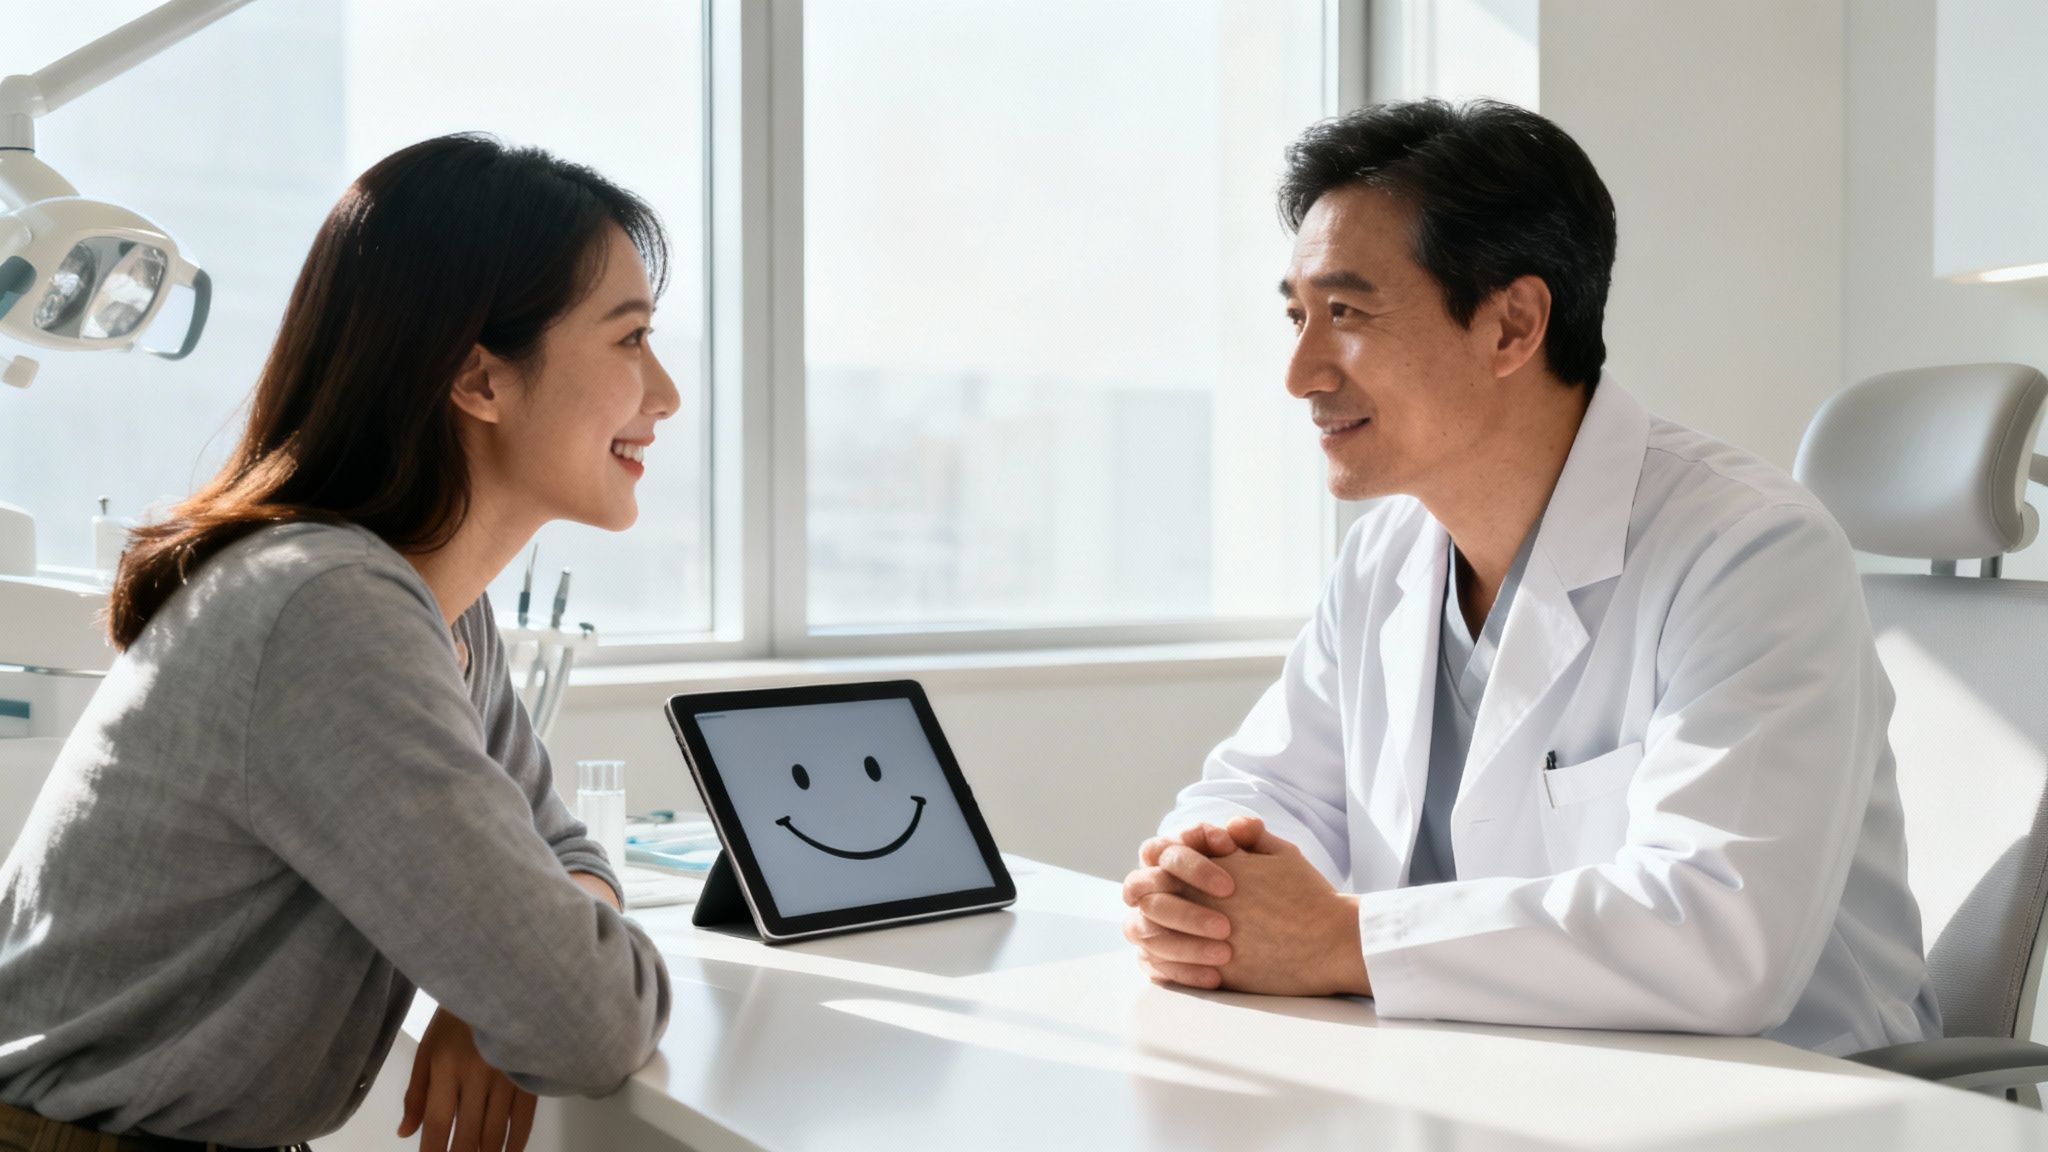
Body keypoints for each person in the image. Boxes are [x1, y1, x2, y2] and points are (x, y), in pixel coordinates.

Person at [1121, 99, 1940, 1056]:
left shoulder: (1751, 553)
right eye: (1298, 316)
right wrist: (1202, 885)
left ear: (1512, 325)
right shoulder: (1387, 557)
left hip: (1790, 1093)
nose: (1301, 373)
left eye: (1345, 313)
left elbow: (1721, 934)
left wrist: (1341, 941)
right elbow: (1268, 792)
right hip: (1497, 1072)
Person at [0, 134, 678, 1150]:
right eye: (629, 341)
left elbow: (564, 854)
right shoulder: (327, 610)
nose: (663, 394)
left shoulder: (437, 609)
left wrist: (496, 976)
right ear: (478, 379)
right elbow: (588, 1024)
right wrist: (522, 969)